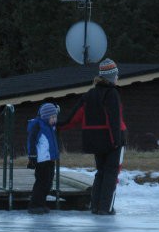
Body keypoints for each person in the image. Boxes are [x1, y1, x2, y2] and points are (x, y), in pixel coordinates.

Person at [58, 58, 127, 215]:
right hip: (113, 141)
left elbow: (74, 117)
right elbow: (114, 119)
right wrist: (116, 141)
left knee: (101, 172)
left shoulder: (90, 94)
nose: (118, 78)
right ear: (111, 77)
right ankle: (105, 208)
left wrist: (59, 126)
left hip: (95, 141)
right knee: (111, 173)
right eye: (116, 75)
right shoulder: (112, 93)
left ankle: (95, 206)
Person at [26, 102, 59, 214]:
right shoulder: (38, 125)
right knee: (41, 182)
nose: (54, 120)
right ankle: (34, 205)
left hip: (50, 159)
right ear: (45, 117)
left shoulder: (50, 127)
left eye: (55, 117)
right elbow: (31, 141)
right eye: (52, 117)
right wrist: (32, 156)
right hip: (41, 160)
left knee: (48, 183)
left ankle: (41, 203)